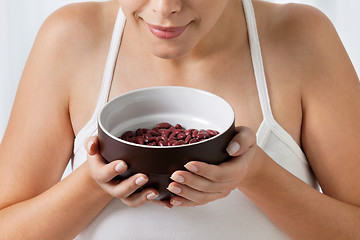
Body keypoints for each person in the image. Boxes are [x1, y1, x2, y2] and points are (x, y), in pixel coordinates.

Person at [0, 0, 359, 239]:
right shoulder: (70, 36)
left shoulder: (300, 37)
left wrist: (257, 175)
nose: (165, 8)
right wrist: (94, 184)